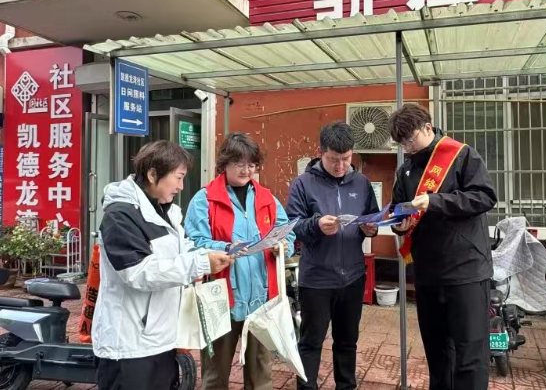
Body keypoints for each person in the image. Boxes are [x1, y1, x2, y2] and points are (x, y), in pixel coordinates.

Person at [93, 140, 232, 390]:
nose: (181, 186)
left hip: (160, 337)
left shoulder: (163, 210)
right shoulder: (121, 215)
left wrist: (211, 253)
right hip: (129, 344)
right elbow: (139, 272)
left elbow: (179, 249)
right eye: (178, 177)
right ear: (152, 174)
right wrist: (200, 263)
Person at [389, 104, 498, 390]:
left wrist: (435, 201)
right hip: (427, 273)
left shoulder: (462, 155)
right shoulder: (406, 170)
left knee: (469, 353)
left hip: (466, 271)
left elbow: (485, 197)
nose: (407, 147)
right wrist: (399, 225)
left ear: (427, 127)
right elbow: (398, 209)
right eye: (402, 144)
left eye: (410, 140)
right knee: (437, 353)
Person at [184, 132, 296, 390]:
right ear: (224, 164)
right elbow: (194, 242)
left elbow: (285, 232)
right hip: (220, 298)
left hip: (262, 298)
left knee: (261, 375)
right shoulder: (205, 199)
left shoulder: (267, 198)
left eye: (252, 164)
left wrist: (283, 246)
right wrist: (225, 248)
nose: (247, 170)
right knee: (215, 374)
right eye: (239, 163)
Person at [286, 121, 380, 390]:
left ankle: (346, 386)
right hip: (317, 278)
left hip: (353, 277)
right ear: (321, 153)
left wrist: (371, 229)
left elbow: (372, 218)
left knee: (347, 341)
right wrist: (316, 225)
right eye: (333, 159)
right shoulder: (303, 184)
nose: (341, 166)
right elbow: (293, 225)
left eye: (346, 159)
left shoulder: (361, 183)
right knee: (311, 342)